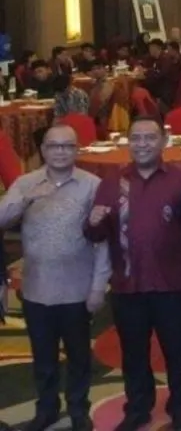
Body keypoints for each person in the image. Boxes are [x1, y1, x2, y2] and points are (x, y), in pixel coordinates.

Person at [84, 116, 181, 431]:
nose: (142, 144)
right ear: (128, 142)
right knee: (133, 353)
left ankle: (180, 408)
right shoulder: (112, 182)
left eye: (149, 138)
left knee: (178, 351)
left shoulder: (180, 180)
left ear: (163, 141)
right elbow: (96, 234)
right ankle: (138, 407)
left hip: (172, 283)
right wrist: (92, 223)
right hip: (127, 283)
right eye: (136, 138)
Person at [0, 125, 109, 431]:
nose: (60, 152)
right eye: (54, 146)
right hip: (36, 288)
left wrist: (98, 286)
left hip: (77, 288)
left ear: (77, 150)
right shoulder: (25, 183)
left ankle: (78, 409)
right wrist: (25, 199)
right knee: (43, 358)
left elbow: (103, 242)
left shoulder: (92, 185)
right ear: (43, 150)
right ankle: (46, 409)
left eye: (67, 146)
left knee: (79, 356)